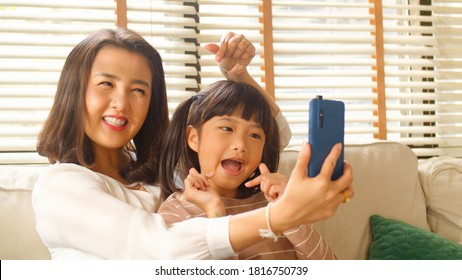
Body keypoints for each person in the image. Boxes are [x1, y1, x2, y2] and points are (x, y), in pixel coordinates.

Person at [32, 27, 354, 259]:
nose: (121, 103)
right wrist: (281, 215)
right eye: (106, 84)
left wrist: (239, 75)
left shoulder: (156, 173)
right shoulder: (61, 186)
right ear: (75, 91)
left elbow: (269, 138)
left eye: (139, 90)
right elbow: (161, 250)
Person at [158, 80, 337, 260]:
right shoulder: (176, 213)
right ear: (194, 138)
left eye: (254, 135)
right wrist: (215, 211)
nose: (241, 145)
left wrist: (290, 209)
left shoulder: (272, 203)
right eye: (227, 128)